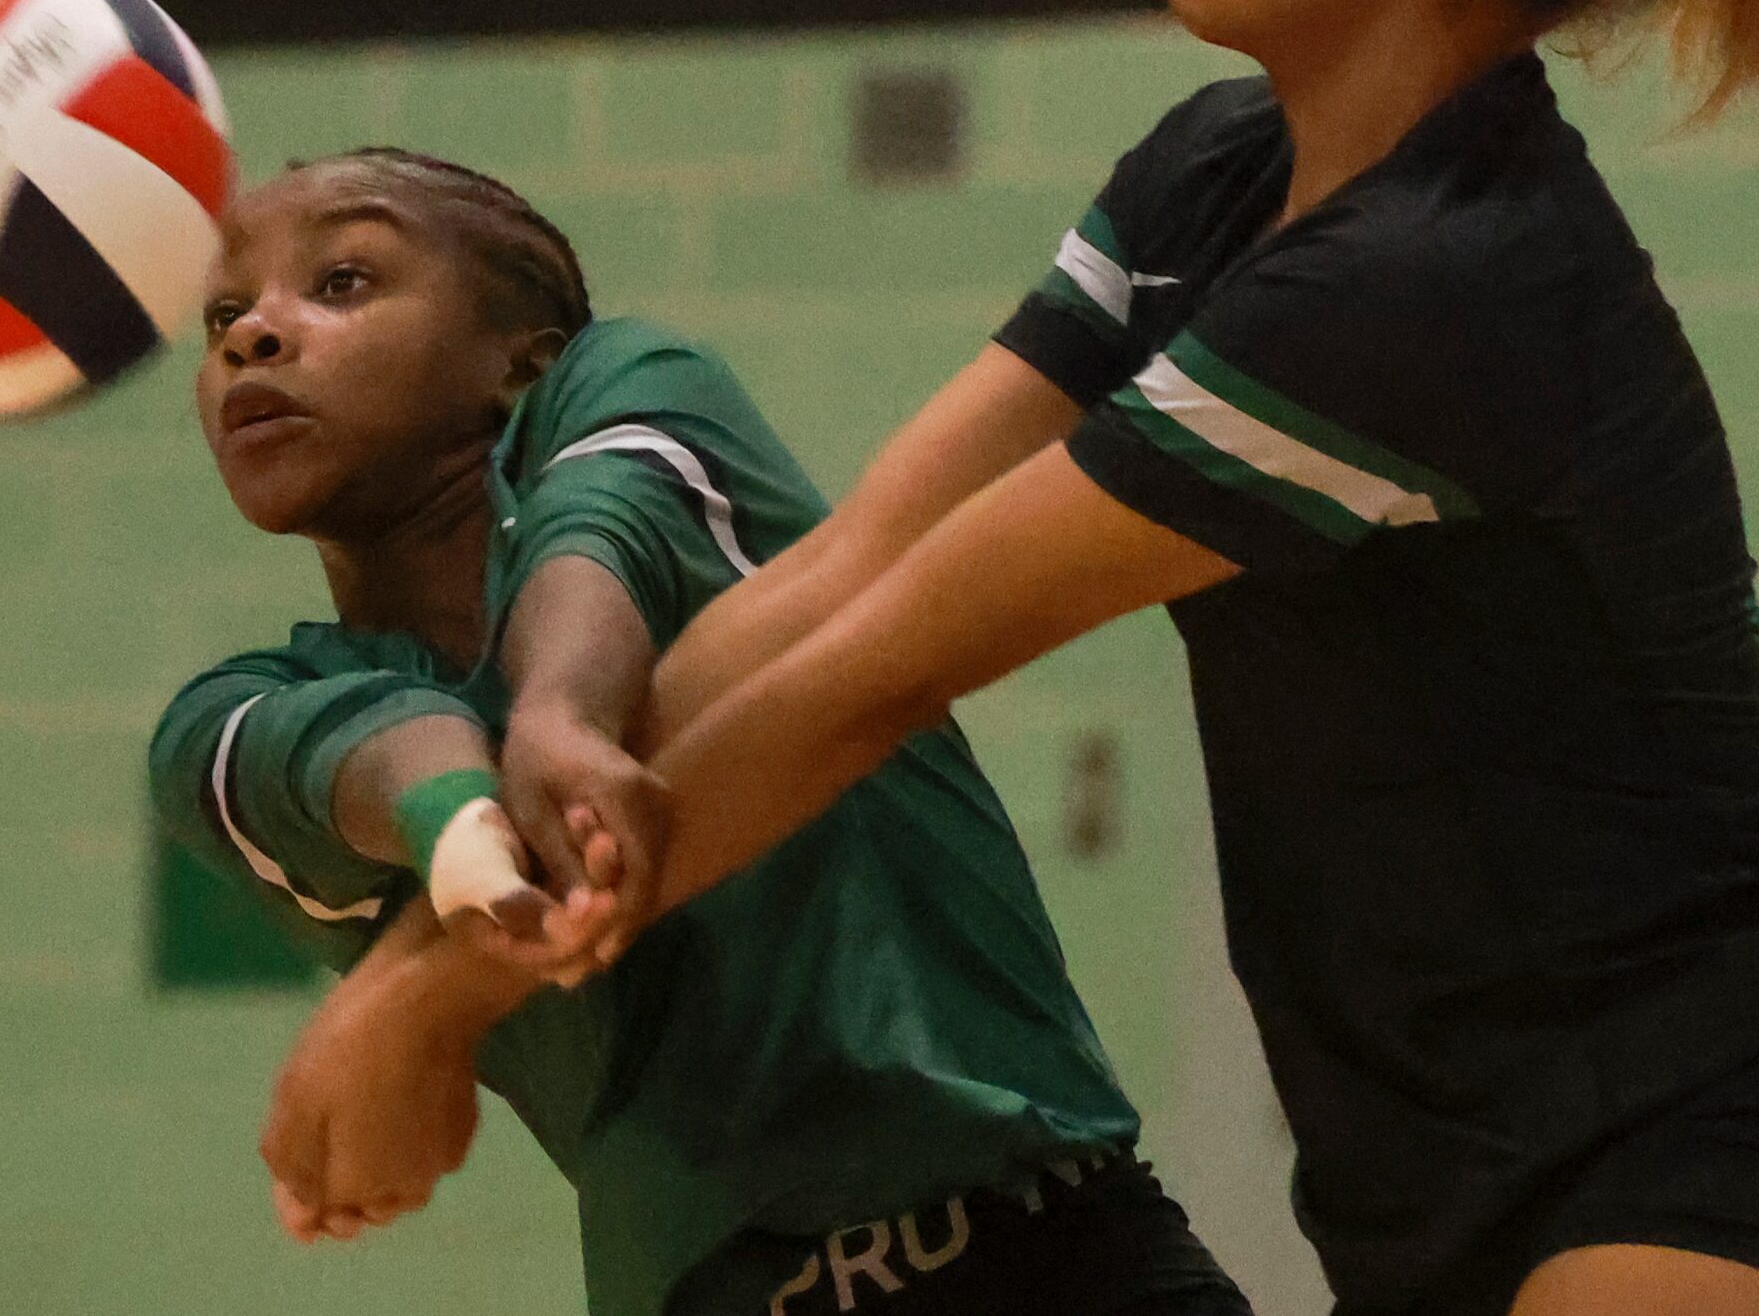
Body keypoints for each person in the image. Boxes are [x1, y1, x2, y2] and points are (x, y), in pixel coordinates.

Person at [506, 0, 1759, 1316]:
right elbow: (849, 572)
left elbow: (880, 674)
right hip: (1426, 1202)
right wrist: (513, 796)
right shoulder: (1212, 176)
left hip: (1739, 1149)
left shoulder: (1436, 283)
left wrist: (432, 996)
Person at [147, 147, 1252, 1316]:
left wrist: (561, 715)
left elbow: (610, 518)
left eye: (342, 283)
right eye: (225, 312)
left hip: (1049, 1254)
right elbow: (356, 749)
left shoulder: (634, 377)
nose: (252, 336)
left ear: (519, 364)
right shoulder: (223, 721)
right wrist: (467, 837)